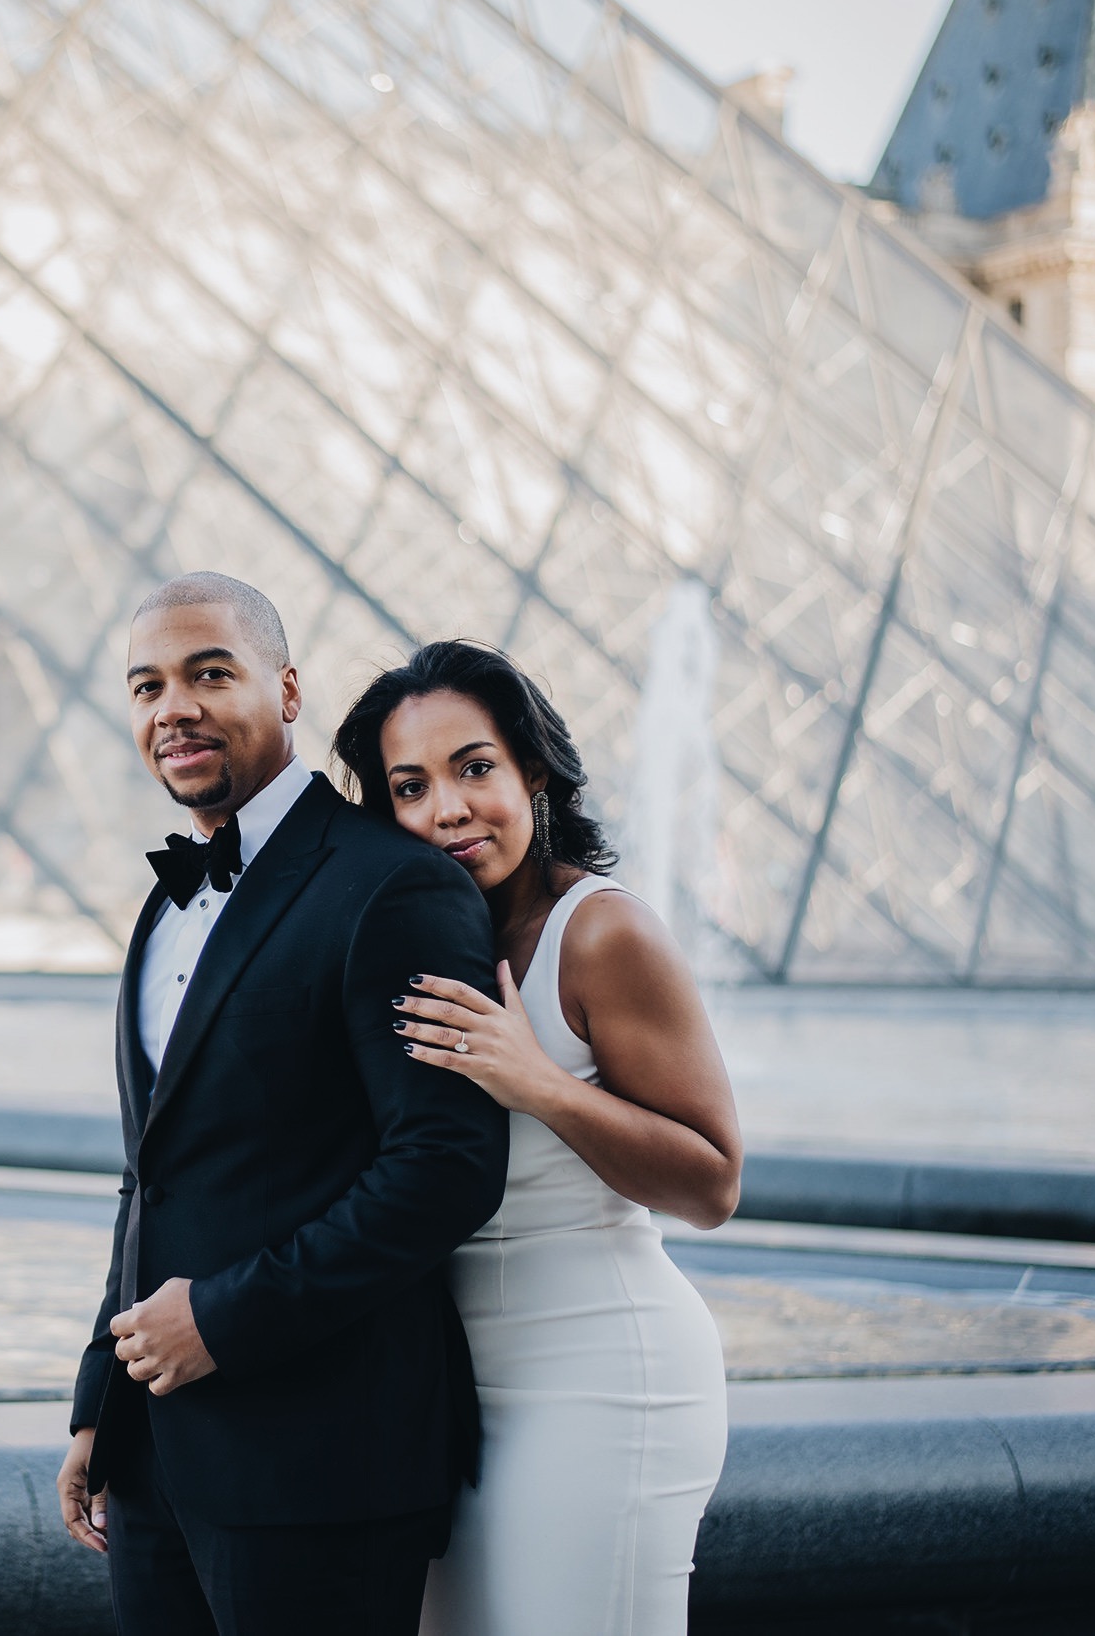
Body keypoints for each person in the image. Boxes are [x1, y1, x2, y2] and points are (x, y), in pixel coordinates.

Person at [56, 574, 511, 1636]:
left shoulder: (393, 886)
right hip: (157, 1461)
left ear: (289, 690)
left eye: (211, 673)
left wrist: (220, 1320)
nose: (175, 707)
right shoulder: (159, 912)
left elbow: (442, 1168)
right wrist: (100, 1401)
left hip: (323, 1466)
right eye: (147, 686)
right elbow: (154, 1178)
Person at [331, 640, 741, 1636]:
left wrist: (537, 1083)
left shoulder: (601, 935)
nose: (446, 810)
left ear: (534, 771)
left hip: (600, 1374)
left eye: (475, 768)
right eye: (409, 786)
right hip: (452, 1399)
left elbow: (712, 1185)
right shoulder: (420, 940)